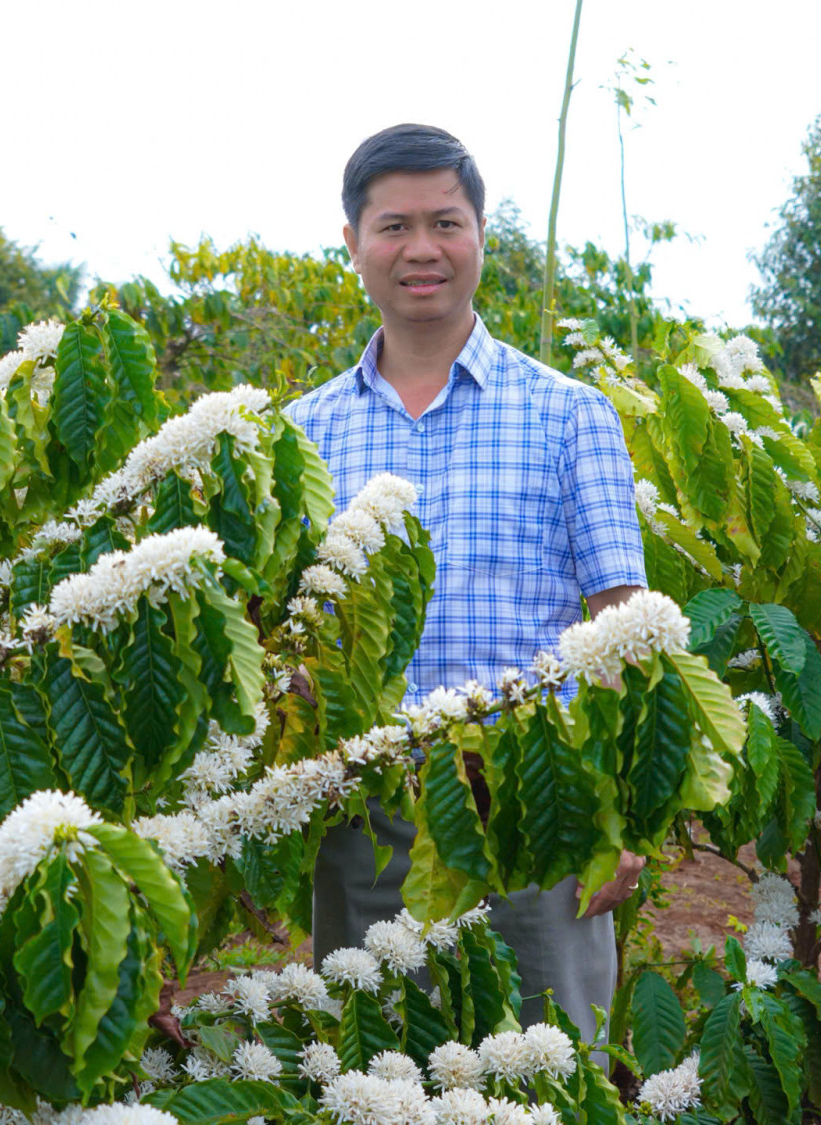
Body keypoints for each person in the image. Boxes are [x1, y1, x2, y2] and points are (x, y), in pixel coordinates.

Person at [282, 123, 649, 1043]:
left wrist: (625, 811)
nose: (421, 250)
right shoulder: (300, 438)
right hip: (366, 819)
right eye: (393, 226)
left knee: (548, 1065)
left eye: (445, 222)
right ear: (354, 244)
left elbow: (621, 628)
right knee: (371, 1070)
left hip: (532, 809)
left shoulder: (572, 417)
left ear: (482, 232)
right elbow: (283, 639)